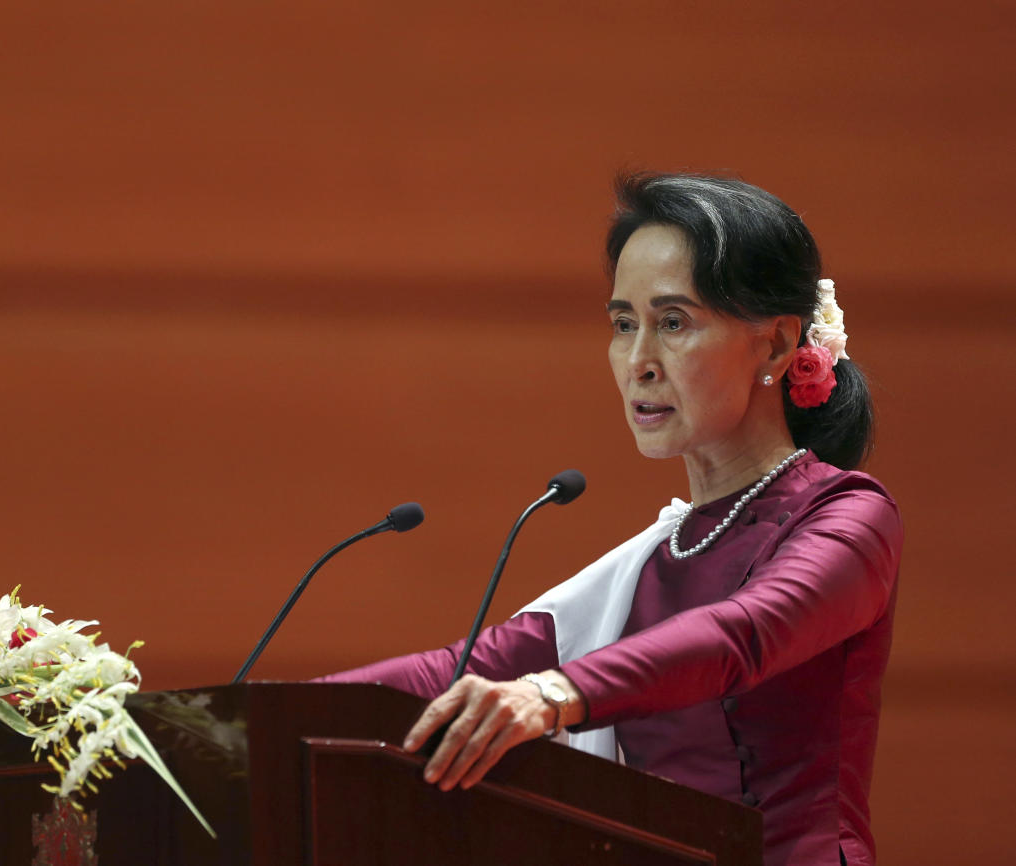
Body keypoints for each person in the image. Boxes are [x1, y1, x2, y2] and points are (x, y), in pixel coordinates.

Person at [317, 172, 901, 866]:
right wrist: (210, 720)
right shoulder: (655, 561)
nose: (637, 361)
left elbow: (741, 634)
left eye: (673, 322)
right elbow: (455, 670)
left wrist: (553, 691)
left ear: (774, 346)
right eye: (623, 324)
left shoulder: (848, 516)